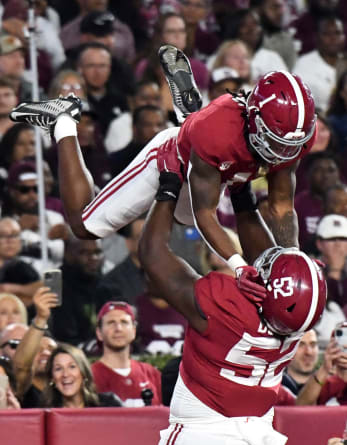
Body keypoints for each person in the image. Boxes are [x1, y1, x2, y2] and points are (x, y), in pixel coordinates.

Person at [10, 46, 317, 296]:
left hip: (222, 164)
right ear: (254, 116)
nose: (282, 153)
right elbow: (205, 214)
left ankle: (191, 116)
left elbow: (280, 206)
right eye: (275, 141)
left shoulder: (292, 136)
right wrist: (237, 265)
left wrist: (292, 257)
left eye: (291, 145)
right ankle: (64, 120)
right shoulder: (219, 132)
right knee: (85, 227)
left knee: (261, 244)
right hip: (174, 160)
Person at [137, 151, 327, 445]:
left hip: (202, 436)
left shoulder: (228, 308)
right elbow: (270, 259)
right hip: (254, 441)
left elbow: (153, 255)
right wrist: (241, 193)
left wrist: (168, 186)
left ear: (264, 292)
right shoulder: (299, 317)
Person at [92, 301, 162, 407]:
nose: (118, 329)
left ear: (134, 331)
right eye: (111, 323)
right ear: (99, 333)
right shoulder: (90, 375)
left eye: (124, 322)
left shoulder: (151, 374)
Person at [41, 342, 123, 408]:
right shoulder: (46, 413)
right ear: (52, 378)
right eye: (58, 369)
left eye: (72, 367)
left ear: (84, 373)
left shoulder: (109, 404)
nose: (65, 374)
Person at [281, 329, 319, 396]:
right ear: (286, 350)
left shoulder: (329, 387)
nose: (308, 352)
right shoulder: (274, 387)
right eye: (300, 345)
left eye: (313, 344)